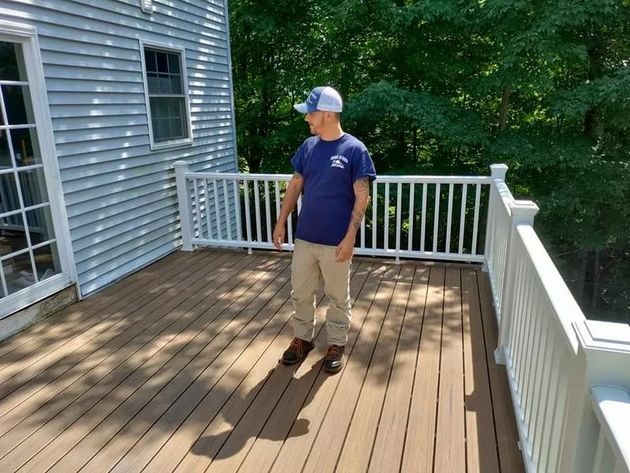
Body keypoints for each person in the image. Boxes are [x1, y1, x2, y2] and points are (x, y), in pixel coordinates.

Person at [272, 86, 376, 374]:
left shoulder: (355, 150)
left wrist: (350, 237)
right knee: (301, 293)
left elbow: (361, 195)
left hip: (336, 241)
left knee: (337, 297)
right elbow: (295, 185)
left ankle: (336, 344)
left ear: (328, 115)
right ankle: (303, 339)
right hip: (305, 237)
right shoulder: (308, 147)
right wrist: (281, 222)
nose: (307, 119)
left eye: (311, 113)